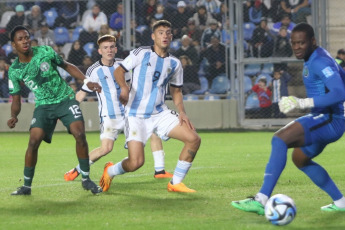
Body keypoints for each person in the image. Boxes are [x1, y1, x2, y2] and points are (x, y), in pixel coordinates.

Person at [231, 23, 345, 214]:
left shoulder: (319, 61)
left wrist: (302, 103)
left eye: (301, 43)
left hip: (330, 118)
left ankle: (261, 199)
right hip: (325, 116)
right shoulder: (319, 56)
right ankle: (341, 202)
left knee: (280, 139)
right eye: (294, 43)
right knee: (300, 158)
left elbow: (340, 92)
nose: (297, 47)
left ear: (312, 41)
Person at [99, 20, 201, 193]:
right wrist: (124, 88)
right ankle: (110, 171)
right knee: (135, 163)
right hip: (135, 115)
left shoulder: (175, 63)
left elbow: (176, 91)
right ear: (153, 36)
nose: (165, 36)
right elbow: (119, 71)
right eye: (161, 32)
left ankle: (175, 183)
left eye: (168, 32)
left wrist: (182, 112)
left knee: (193, 139)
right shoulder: (141, 53)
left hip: (160, 113)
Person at [7, 25, 103, 195]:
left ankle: (86, 179)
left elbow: (66, 65)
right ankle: (26, 186)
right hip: (43, 105)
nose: (25, 41)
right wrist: (14, 115)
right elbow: (16, 98)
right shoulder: (14, 70)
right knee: (33, 142)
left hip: (65, 99)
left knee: (79, 134)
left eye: (27, 37)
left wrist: (86, 81)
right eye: (20, 39)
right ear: (13, 45)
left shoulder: (44, 51)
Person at [64, 35, 173, 181]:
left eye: (111, 47)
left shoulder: (123, 65)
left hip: (129, 114)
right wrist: (69, 112)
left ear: (115, 49)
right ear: (100, 51)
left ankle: (160, 170)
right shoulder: (94, 70)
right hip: (109, 116)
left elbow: (129, 86)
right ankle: (77, 169)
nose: (109, 50)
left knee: (153, 133)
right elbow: (82, 93)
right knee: (106, 148)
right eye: (105, 48)